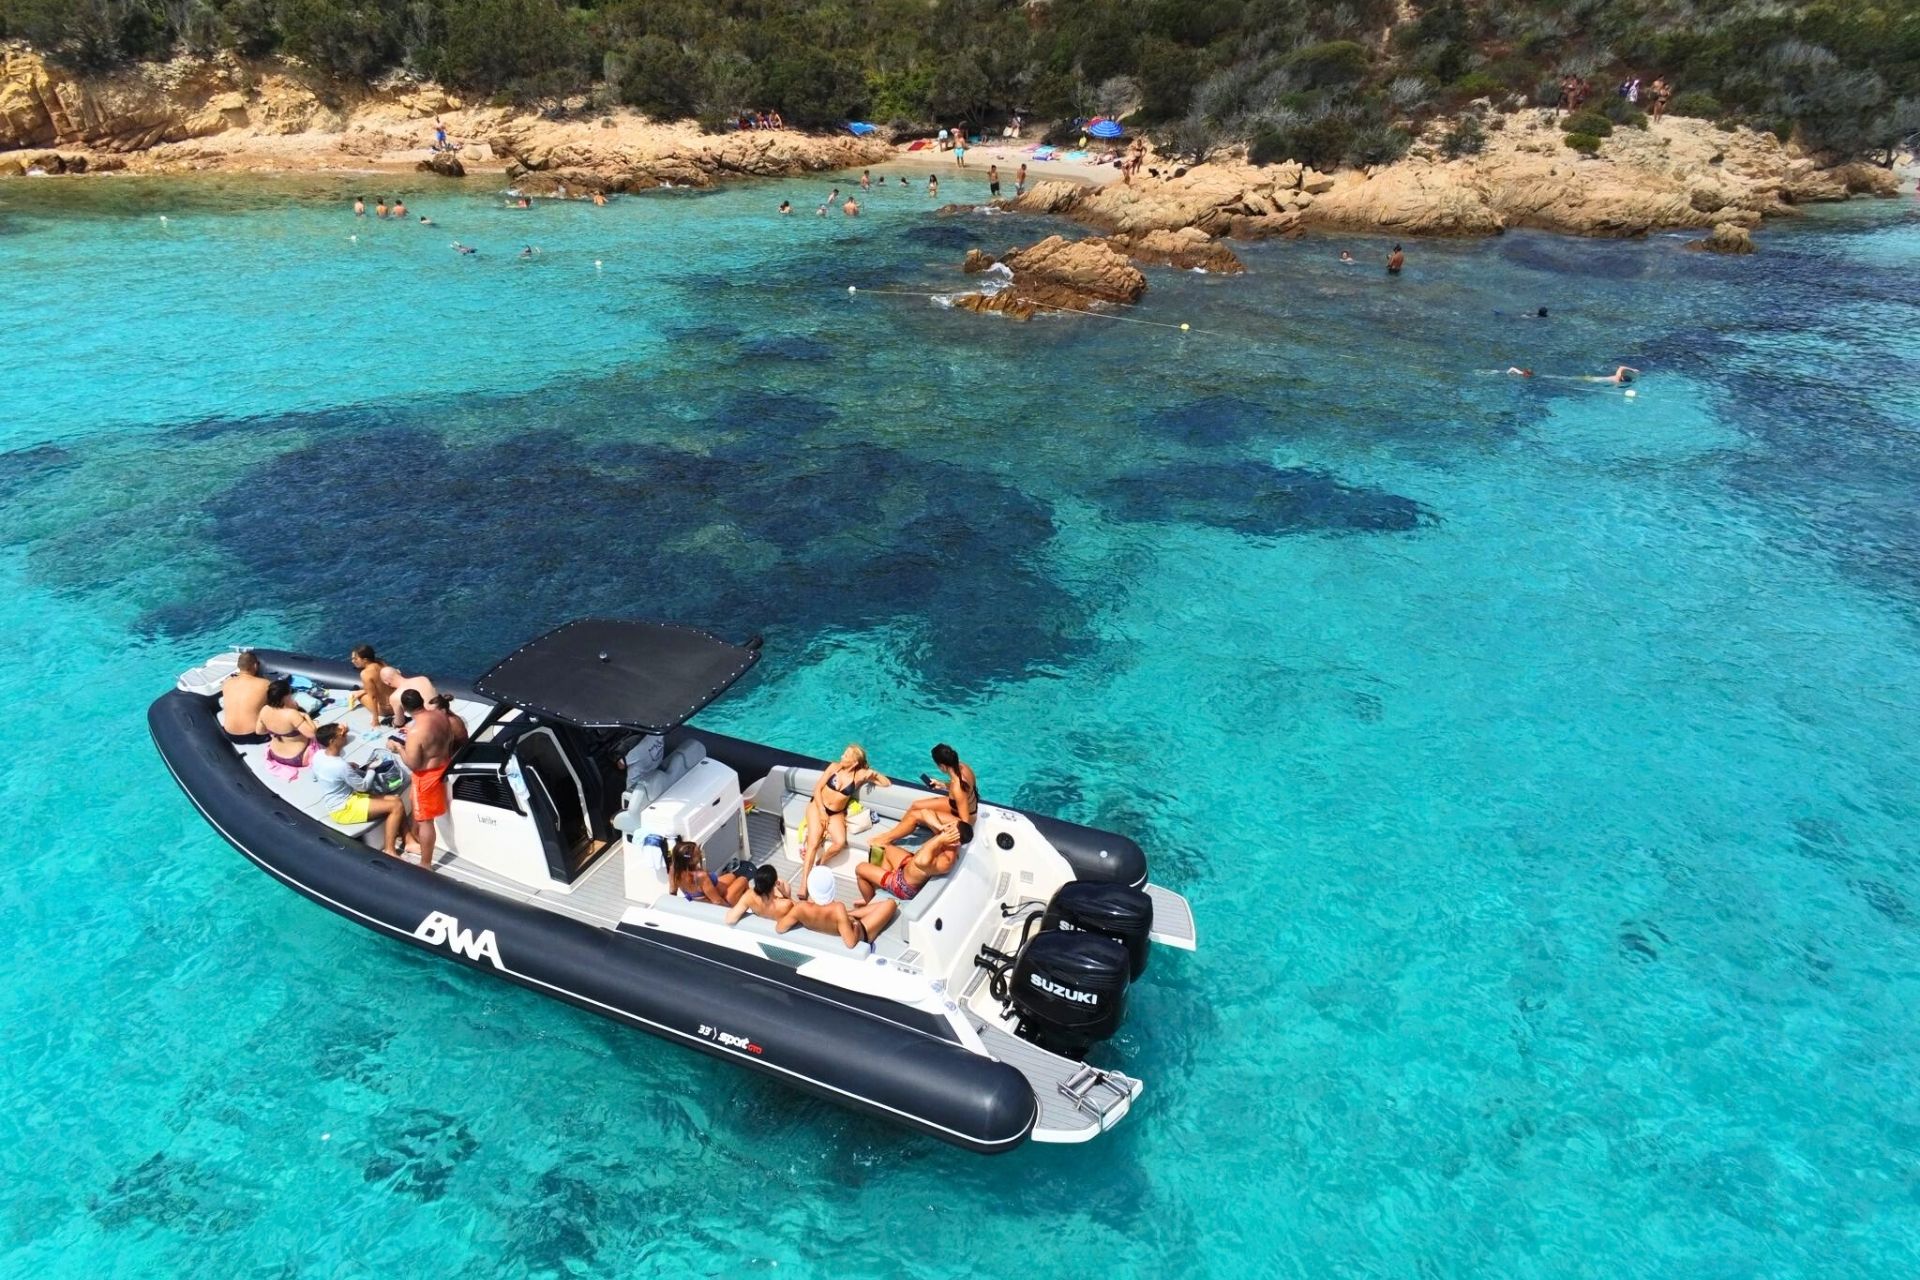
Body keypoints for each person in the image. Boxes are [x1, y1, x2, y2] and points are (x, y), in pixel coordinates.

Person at [794, 744, 891, 898]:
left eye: (845, 756)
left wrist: (875, 774)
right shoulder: (834, 767)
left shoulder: (859, 776)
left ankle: (820, 864)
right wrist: (821, 811)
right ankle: (804, 884)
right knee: (813, 842)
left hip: (836, 813)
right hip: (818, 806)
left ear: (854, 763)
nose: (841, 757)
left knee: (839, 843)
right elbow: (817, 789)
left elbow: (886, 783)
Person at [394, 688, 464, 869]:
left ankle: (425, 863)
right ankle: (412, 837)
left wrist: (398, 748)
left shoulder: (415, 731)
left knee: (426, 821)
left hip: (427, 777)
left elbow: (413, 764)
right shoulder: (441, 715)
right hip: (444, 767)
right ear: (421, 701)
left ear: (405, 708)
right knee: (416, 809)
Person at [313, 724, 409, 856]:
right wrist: (371, 769)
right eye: (342, 735)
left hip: (344, 800)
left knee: (396, 799)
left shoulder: (318, 755)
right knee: (396, 806)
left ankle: (408, 840)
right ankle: (390, 850)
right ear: (332, 741)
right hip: (344, 809)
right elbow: (363, 787)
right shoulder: (340, 766)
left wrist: (347, 767)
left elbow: (317, 775)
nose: (345, 736)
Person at [871, 743, 976, 850]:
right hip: (957, 807)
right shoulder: (963, 767)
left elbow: (965, 822)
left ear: (943, 766)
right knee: (916, 805)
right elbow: (961, 787)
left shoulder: (958, 788)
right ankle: (895, 833)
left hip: (964, 818)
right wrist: (942, 784)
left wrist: (945, 832)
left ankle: (886, 840)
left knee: (915, 815)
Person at [858, 815, 965, 907]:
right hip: (907, 866)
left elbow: (920, 862)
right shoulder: (948, 844)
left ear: (955, 840)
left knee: (860, 869)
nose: (948, 826)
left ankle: (869, 903)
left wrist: (940, 839)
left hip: (902, 885)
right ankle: (881, 886)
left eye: (950, 828)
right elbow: (924, 812)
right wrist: (940, 827)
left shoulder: (946, 861)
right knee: (887, 848)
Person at [256, 679, 318, 780]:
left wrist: (277, 730)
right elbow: (312, 734)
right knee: (316, 728)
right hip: (298, 758)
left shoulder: (265, 709)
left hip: (275, 755)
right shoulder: (292, 714)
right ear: (285, 697)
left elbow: (259, 731)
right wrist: (305, 716)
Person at [665, 838, 748, 906]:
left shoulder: (674, 869)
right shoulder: (701, 876)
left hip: (697, 897)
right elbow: (717, 901)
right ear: (691, 860)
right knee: (743, 880)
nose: (700, 854)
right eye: (698, 853)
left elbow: (672, 891)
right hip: (717, 900)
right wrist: (730, 911)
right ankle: (750, 902)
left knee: (731, 876)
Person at [220, 649, 272, 742]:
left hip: (231, 735)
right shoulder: (265, 683)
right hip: (255, 735)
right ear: (255, 665)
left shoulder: (226, 683)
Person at [725, 864, 790, 925]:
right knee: (785, 884)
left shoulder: (749, 896)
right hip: (776, 925)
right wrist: (785, 894)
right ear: (775, 883)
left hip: (759, 916)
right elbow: (797, 911)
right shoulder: (785, 904)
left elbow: (730, 920)